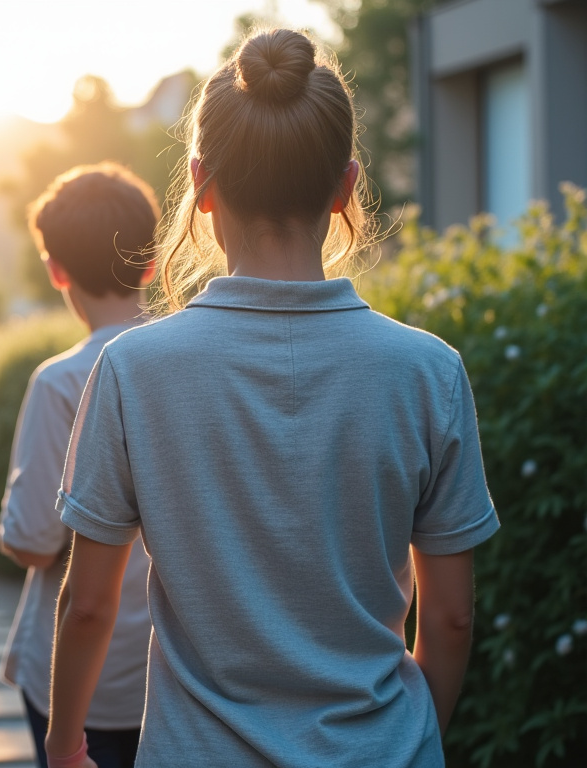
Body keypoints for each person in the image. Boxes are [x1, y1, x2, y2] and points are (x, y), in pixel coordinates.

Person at [45, 29, 500, 768]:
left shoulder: (133, 369)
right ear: (346, 186)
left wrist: (65, 745)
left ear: (201, 183)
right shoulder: (428, 371)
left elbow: (90, 605)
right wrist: (415, 738)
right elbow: (449, 618)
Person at [0, 163, 161, 768]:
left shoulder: (62, 382)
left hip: (78, 683)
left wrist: (9, 528)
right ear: (151, 262)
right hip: (178, 673)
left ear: (56, 269)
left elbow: (34, 539)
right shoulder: (195, 365)